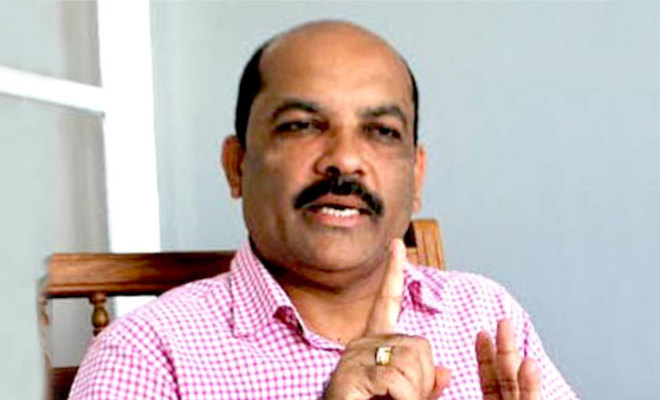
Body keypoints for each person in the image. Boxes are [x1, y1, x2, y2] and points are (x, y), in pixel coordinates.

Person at [68, 20, 577, 399]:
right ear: (236, 165)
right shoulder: (148, 354)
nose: (345, 159)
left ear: (416, 176)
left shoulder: (486, 317)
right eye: (301, 125)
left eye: (382, 131)